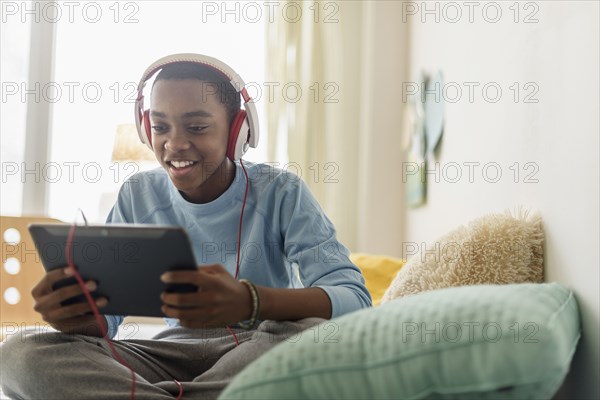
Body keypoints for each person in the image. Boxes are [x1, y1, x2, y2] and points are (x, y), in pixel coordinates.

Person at [0, 54, 372, 399]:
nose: (174, 144)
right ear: (146, 130)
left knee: (310, 333)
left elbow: (354, 299)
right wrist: (77, 318)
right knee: (19, 353)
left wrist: (251, 301)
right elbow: (107, 322)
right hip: (168, 353)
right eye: (160, 127)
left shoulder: (282, 192)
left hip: (260, 345)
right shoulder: (137, 195)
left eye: (196, 127)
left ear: (237, 132)